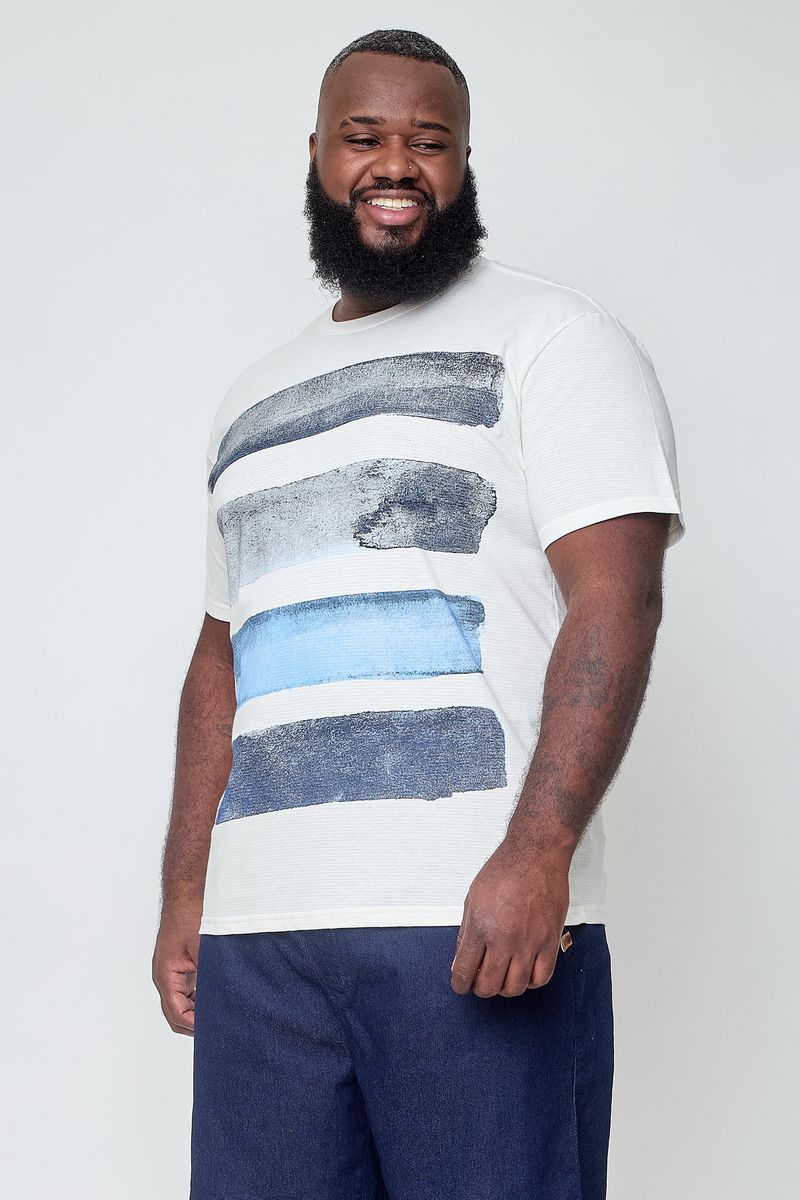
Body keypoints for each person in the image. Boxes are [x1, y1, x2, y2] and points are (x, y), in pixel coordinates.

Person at [152, 27, 686, 1200]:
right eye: (363, 137)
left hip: (468, 918)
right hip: (262, 943)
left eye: (427, 141)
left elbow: (617, 597)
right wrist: (189, 892)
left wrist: (536, 854)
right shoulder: (249, 400)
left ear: (462, 164)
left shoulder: (555, 340)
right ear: (315, 155)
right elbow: (220, 654)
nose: (394, 164)